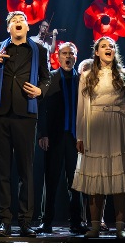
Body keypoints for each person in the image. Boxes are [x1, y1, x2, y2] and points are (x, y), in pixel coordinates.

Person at [0, 11, 51, 237]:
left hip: (26, 112)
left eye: (22, 20)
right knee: (3, 169)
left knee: (25, 169)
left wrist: (41, 90)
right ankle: (5, 221)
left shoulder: (38, 49)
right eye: (14, 21)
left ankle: (24, 221)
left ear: (28, 27)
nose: (19, 23)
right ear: (8, 28)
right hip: (1, 111)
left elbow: (46, 77)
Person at [72, 36, 125, 239]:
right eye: (103, 46)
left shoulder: (124, 74)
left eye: (111, 46)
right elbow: (81, 107)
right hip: (95, 127)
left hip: (119, 128)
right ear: (96, 52)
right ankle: (94, 226)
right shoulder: (87, 76)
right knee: (96, 178)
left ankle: (120, 227)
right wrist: (80, 135)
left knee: (121, 176)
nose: (108, 48)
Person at [36, 41, 87, 235]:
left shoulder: (82, 80)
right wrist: (43, 133)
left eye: (71, 54)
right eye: (64, 53)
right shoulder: (50, 78)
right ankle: (46, 221)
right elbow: (43, 107)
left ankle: (77, 221)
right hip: (55, 136)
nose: (68, 57)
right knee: (51, 180)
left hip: (76, 138)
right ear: (57, 57)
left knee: (76, 182)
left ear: (76, 57)